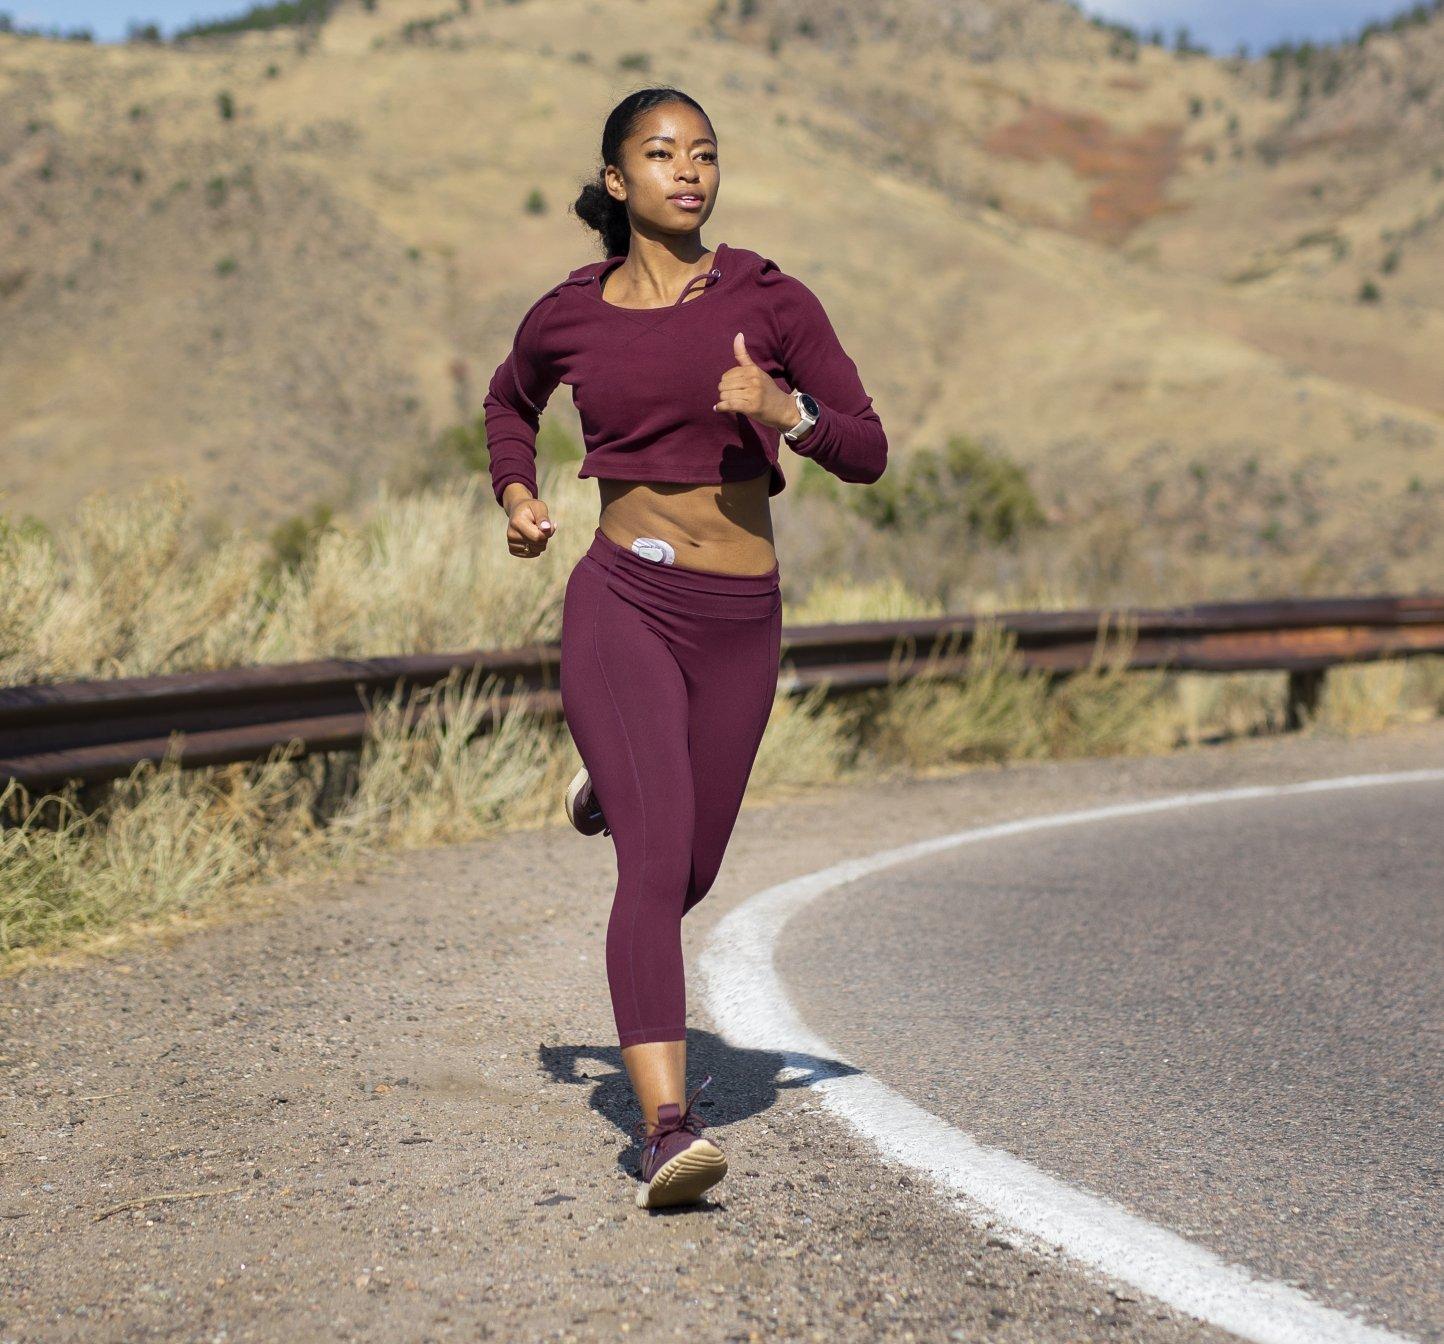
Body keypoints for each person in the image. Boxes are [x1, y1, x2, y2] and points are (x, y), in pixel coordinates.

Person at [482, 86, 888, 1208]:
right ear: (618, 183)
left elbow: (867, 448)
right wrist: (517, 492)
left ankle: (613, 784)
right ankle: (667, 1128)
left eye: (703, 154)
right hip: (622, 600)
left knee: (692, 871)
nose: (688, 171)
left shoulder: (771, 298)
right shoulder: (568, 314)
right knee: (654, 874)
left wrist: (784, 406)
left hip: (737, 621)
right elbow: (507, 403)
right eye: (661, 155)